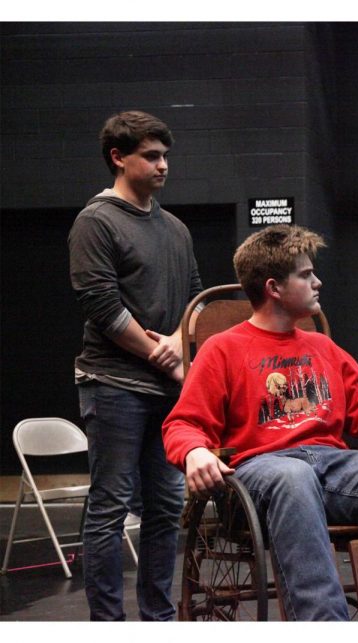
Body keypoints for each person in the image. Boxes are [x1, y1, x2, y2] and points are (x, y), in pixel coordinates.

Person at [161, 224, 358, 621]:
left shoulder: (322, 346)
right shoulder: (223, 349)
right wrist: (193, 451)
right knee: (293, 477)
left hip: (332, 466)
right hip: (259, 473)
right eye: (306, 275)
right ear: (275, 287)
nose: (318, 282)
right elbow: (182, 423)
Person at [68, 111, 203, 620]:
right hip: (113, 385)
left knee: (167, 507)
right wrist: (162, 357)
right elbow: (101, 306)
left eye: (165, 155)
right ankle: (108, 624)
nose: (163, 165)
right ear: (118, 158)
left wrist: (174, 341)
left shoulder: (175, 228)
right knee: (110, 507)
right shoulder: (96, 222)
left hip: (165, 389)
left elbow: (195, 301)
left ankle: (158, 619)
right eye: (151, 155)